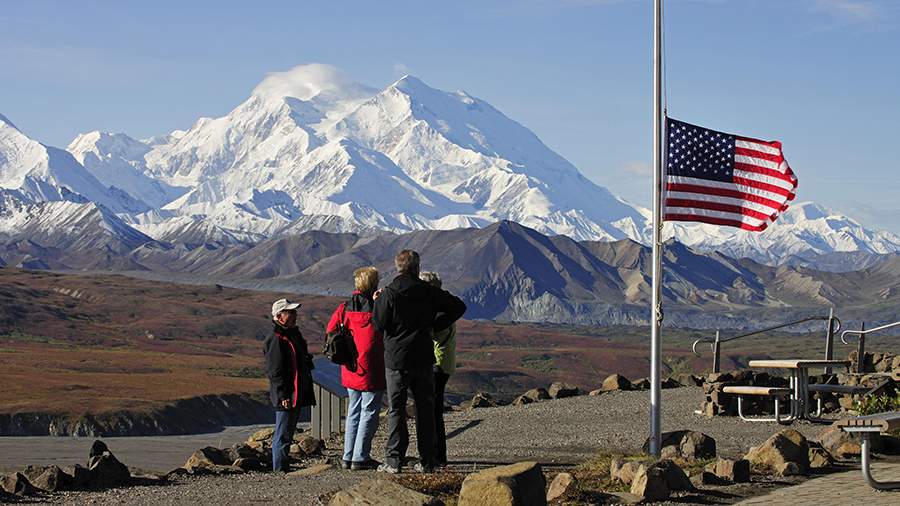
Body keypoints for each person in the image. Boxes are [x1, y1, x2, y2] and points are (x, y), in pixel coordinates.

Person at [372, 250, 466, 473]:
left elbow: (378, 324)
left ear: (398, 267)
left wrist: (378, 303)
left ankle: (394, 460)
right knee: (425, 409)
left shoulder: (390, 293)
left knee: (396, 409)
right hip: (423, 357)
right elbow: (458, 307)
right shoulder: (428, 292)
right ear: (416, 267)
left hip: (396, 359)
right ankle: (428, 461)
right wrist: (436, 325)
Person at [325, 266, 386, 471]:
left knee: (353, 411)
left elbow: (330, 329)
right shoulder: (377, 307)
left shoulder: (345, 307)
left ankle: (347, 455)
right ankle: (360, 457)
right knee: (369, 412)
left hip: (351, 367)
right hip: (372, 367)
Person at [264, 298, 316, 473]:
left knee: (287, 431)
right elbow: (275, 371)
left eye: (294, 312)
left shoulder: (292, 335)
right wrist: (283, 395)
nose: (294, 315)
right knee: (283, 433)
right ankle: (280, 469)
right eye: (290, 312)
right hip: (287, 394)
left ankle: (282, 466)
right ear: (279, 316)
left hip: (295, 391)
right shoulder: (276, 339)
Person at [419, 271, 456, 468]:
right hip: (445, 363)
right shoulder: (445, 308)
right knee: (435, 410)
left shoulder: (438, 313)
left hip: (437, 364)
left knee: (433, 412)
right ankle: (439, 455)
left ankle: (437, 456)